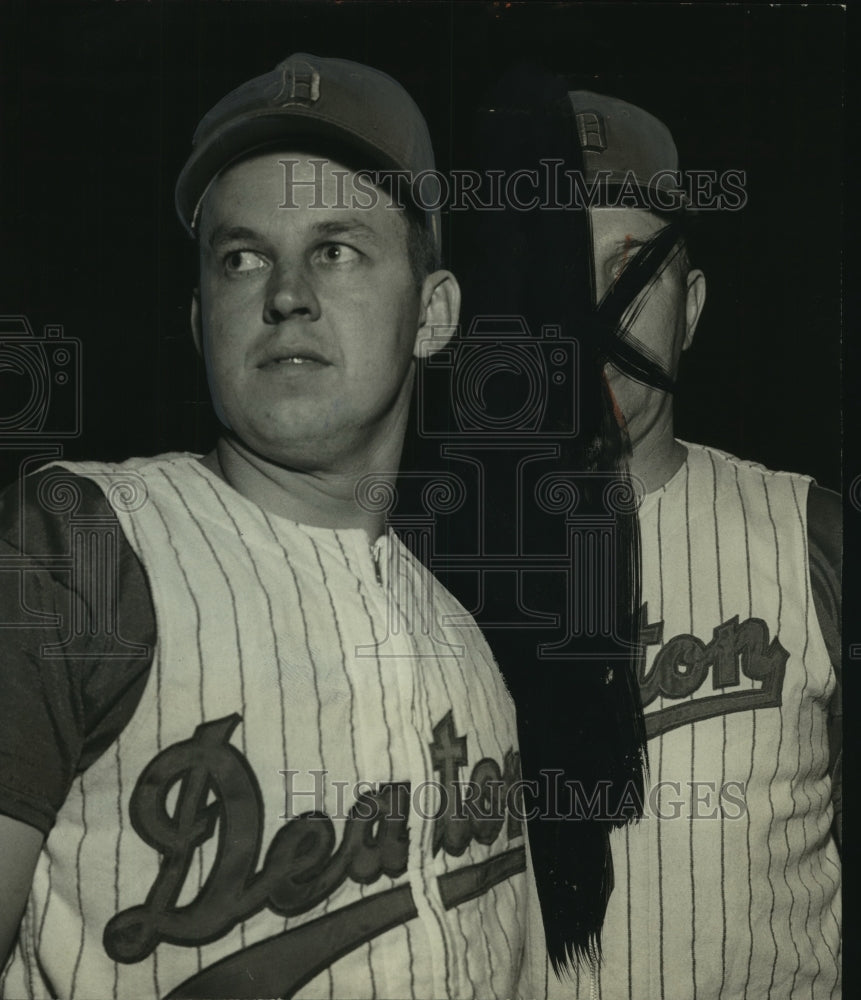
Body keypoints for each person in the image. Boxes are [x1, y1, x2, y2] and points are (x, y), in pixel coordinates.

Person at [0, 53, 554, 999]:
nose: (285, 292)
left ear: (432, 313)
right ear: (197, 320)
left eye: (336, 249)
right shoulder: (84, 546)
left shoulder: (467, 641)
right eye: (241, 257)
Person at [560, 91, 842, 998]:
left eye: (630, 271)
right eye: (560, 270)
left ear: (688, 308)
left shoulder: (816, 536)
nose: (594, 313)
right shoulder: (428, 566)